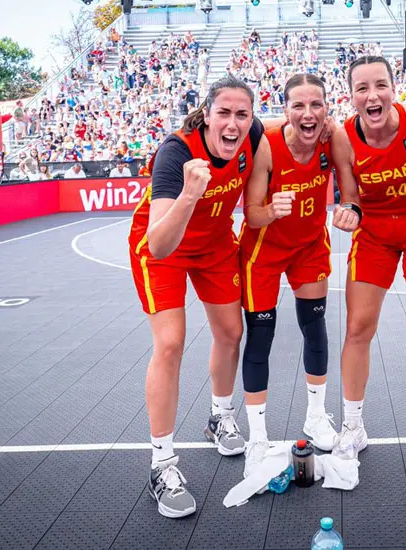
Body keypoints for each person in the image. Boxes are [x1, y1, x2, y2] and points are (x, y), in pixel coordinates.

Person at [127, 75, 266, 518]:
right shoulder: (177, 152)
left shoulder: (255, 135)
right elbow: (161, 243)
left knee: (231, 332)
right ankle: (162, 462)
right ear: (206, 115)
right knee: (170, 343)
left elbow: (284, 125)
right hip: (163, 244)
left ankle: (219, 417)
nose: (233, 123)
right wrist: (190, 193)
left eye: (241, 114)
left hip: (214, 244)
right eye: (223, 113)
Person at [330, 56, 406, 482]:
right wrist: (347, 211)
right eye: (361, 88)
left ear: (394, 87)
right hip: (375, 233)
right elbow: (351, 196)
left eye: (380, 85)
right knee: (357, 329)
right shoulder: (343, 136)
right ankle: (352, 426)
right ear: (350, 96)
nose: (372, 95)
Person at [239, 73, 360, 476]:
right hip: (265, 251)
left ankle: (316, 415)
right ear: (285, 109)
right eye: (298, 106)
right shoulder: (268, 145)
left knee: (315, 325)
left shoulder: (333, 137)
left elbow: (350, 192)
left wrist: (350, 211)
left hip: (309, 245)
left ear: (327, 108)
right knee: (261, 335)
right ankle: (258, 437)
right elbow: (251, 214)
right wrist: (271, 210)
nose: (308, 114)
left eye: (316, 105)